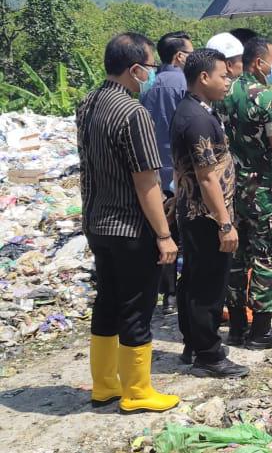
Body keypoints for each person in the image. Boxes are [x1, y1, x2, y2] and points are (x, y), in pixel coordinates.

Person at [76, 32, 179, 414]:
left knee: (107, 302)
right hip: (130, 227)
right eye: (150, 67)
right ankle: (137, 391)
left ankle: (104, 385)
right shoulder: (134, 113)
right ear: (135, 69)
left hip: (98, 223)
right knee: (137, 305)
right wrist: (164, 235)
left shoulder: (88, 103)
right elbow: (146, 180)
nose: (151, 73)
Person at [217, 36, 272, 348]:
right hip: (262, 190)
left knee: (236, 258)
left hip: (228, 189)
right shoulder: (264, 97)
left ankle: (238, 326)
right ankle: (262, 329)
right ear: (259, 63)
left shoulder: (222, 93)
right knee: (267, 255)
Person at [171, 48, 249, 378]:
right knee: (208, 286)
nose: (228, 81)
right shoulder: (198, 118)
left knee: (193, 280)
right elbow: (206, 176)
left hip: (194, 213)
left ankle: (194, 342)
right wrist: (225, 223)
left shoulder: (194, 110)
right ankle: (209, 353)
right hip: (206, 217)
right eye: (223, 75)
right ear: (204, 78)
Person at [140, 30, 193, 316]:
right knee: (187, 236)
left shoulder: (146, 86)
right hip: (181, 172)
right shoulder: (184, 84)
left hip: (154, 174)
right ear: (180, 56)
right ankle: (187, 294)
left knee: (164, 234)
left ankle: (168, 296)